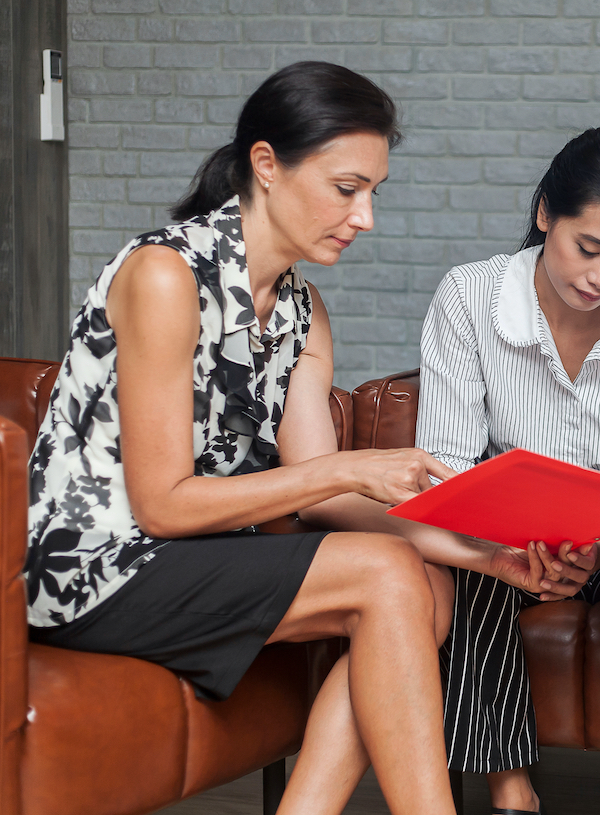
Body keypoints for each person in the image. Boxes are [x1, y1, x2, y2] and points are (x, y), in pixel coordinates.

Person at [22, 61, 553, 815]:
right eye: (347, 188)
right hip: (96, 569)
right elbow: (163, 506)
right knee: (390, 576)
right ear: (266, 166)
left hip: (193, 557)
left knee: (426, 582)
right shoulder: (165, 276)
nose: (364, 216)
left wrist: (484, 554)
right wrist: (354, 467)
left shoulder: (304, 310)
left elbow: (323, 496)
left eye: (374, 192)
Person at [414, 127, 600, 815]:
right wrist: (511, 545)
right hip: (499, 543)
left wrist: (599, 545)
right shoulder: (470, 296)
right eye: (590, 247)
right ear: (546, 211)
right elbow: (448, 467)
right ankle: (511, 791)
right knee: (469, 547)